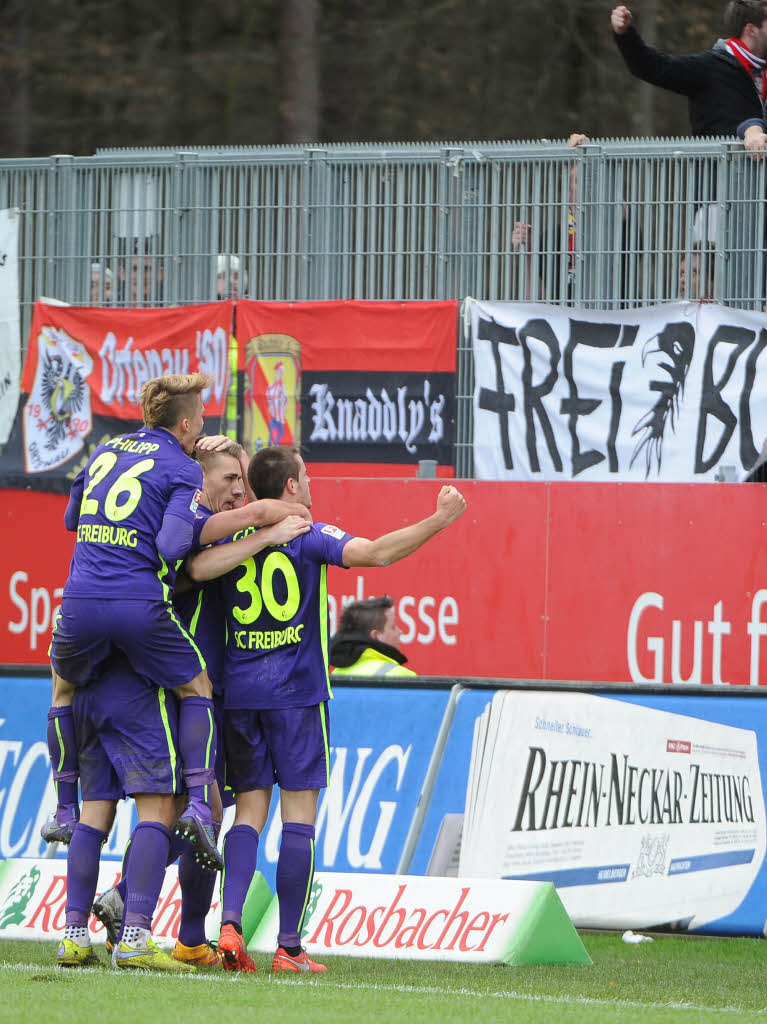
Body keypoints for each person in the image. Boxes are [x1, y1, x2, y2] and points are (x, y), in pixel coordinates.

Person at [184, 446, 466, 974]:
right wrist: (440, 519)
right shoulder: (308, 533)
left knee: (248, 812)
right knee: (299, 819)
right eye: (306, 476)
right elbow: (378, 553)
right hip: (297, 697)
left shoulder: (233, 537)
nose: (311, 485)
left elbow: (196, 571)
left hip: (241, 698)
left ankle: (230, 923)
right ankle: (289, 947)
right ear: (290, 486)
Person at [90, 436, 311, 969]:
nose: (238, 490)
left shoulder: (225, 523)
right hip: (185, 698)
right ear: (199, 479)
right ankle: (126, 899)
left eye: (243, 479)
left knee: (208, 814)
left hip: (220, 697)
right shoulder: (185, 522)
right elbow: (198, 569)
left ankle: (189, 936)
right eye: (228, 479)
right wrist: (269, 532)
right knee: (197, 811)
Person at [46, 372, 225, 870]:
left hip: (79, 601)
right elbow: (170, 546)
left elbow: (70, 518)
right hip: (138, 603)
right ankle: (198, 805)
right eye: (202, 418)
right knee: (198, 687)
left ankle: (63, 805)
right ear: (186, 423)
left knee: (62, 689)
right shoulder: (184, 468)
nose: (203, 426)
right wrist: (193, 517)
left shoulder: (105, 451)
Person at [58, 654, 195, 972]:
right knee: (165, 809)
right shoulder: (146, 602)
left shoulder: (76, 605)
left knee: (94, 811)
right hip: (140, 693)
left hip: (89, 691)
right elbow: (150, 622)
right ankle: (134, 936)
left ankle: (74, 937)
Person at [611, 2, 767, 138]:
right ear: (752, 30)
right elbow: (649, 66)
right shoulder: (709, 67)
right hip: (719, 170)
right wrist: (625, 34)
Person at [329, 595, 416, 678]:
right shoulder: (399, 675)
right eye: (393, 627)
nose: (400, 631)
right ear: (376, 636)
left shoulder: (335, 674)